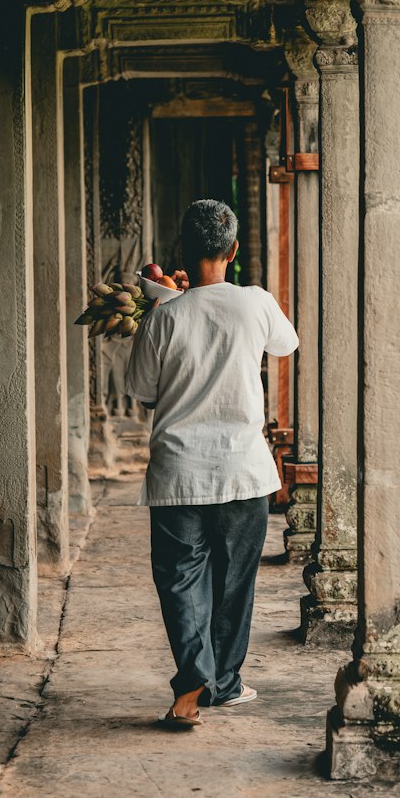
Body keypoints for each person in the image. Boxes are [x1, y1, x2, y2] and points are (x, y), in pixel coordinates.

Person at [125, 198, 299, 729]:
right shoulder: (255, 302)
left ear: (183, 250)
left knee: (181, 579)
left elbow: (142, 392)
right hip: (244, 470)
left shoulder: (163, 318)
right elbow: (285, 345)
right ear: (235, 251)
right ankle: (224, 682)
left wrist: (171, 305)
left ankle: (193, 676)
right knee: (232, 583)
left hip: (179, 472)